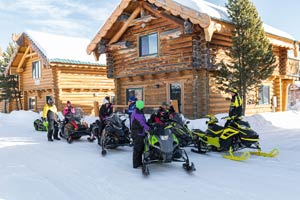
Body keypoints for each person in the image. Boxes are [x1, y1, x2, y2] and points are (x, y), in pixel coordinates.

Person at [131, 100, 150, 168]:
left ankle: (139, 162)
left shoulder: (138, 111)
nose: (143, 107)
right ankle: (136, 164)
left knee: (141, 148)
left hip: (140, 132)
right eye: (142, 105)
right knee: (137, 149)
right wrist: (149, 128)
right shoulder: (137, 113)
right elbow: (142, 123)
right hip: (137, 133)